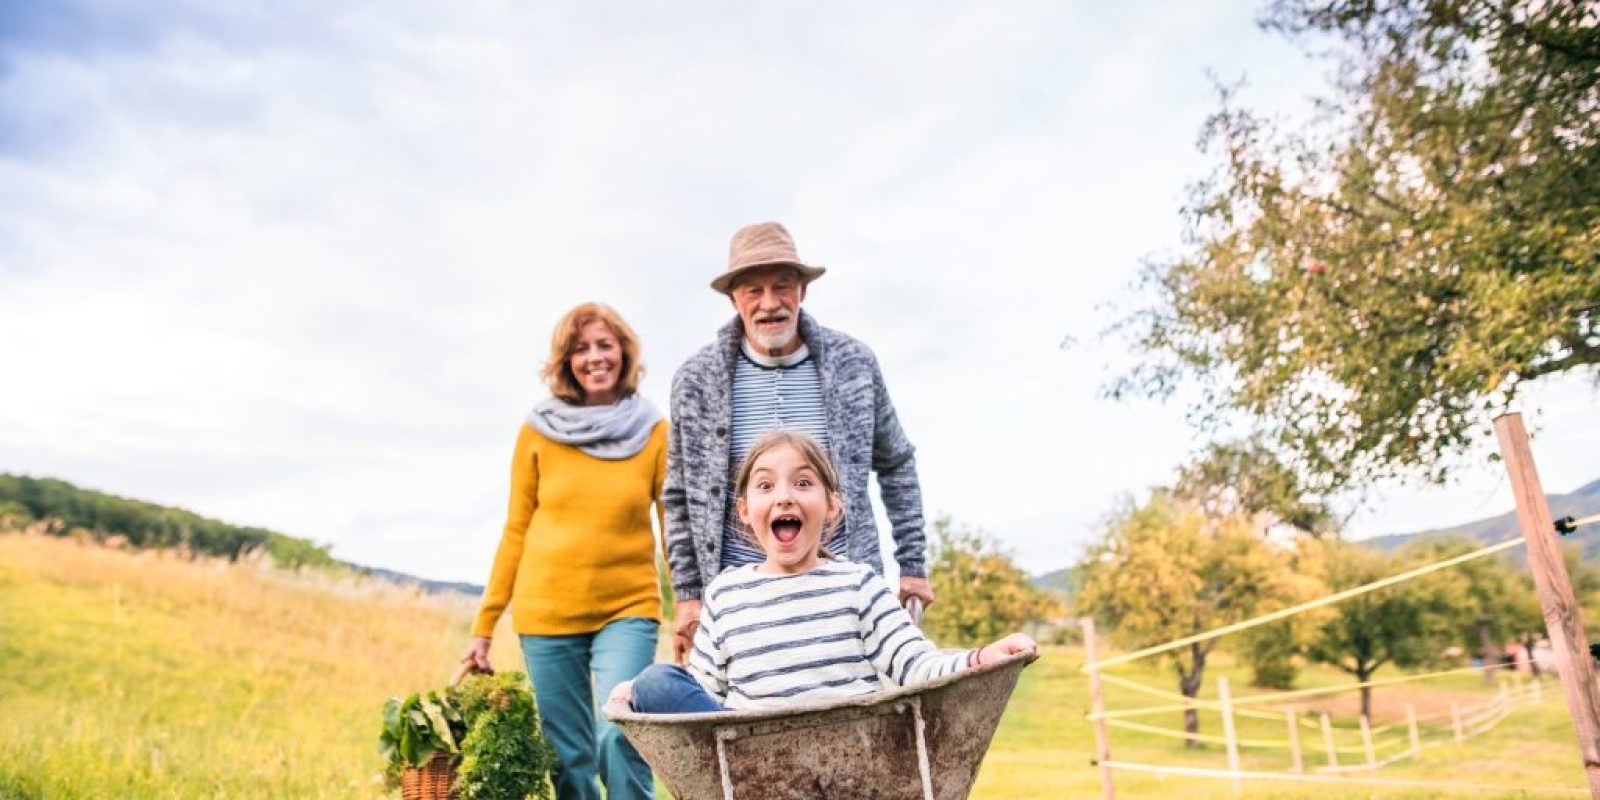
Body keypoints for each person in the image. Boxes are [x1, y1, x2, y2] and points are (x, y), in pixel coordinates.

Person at [663, 221, 934, 664]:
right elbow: (678, 494)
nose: (770, 304)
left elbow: (897, 462)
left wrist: (913, 565)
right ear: (733, 298)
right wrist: (689, 593)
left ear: (802, 291)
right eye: (754, 290)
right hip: (740, 602)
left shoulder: (854, 365)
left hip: (842, 587)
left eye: (782, 286)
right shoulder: (696, 381)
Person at [613, 431, 1035, 713]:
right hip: (748, 765)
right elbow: (705, 691)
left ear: (831, 505)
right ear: (744, 511)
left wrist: (982, 659)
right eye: (765, 486)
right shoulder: (727, 594)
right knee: (656, 682)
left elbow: (916, 665)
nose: (783, 497)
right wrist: (643, 696)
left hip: (848, 758)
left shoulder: (857, 585)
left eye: (802, 483)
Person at [460, 303, 666, 800]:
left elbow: (673, 522)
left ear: (624, 352)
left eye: (604, 344)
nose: (594, 357)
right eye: (581, 348)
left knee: (622, 733)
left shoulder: (654, 430)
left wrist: (695, 608)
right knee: (567, 759)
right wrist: (484, 626)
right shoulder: (537, 432)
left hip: (628, 608)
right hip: (547, 615)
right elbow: (516, 530)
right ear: (565, 361)